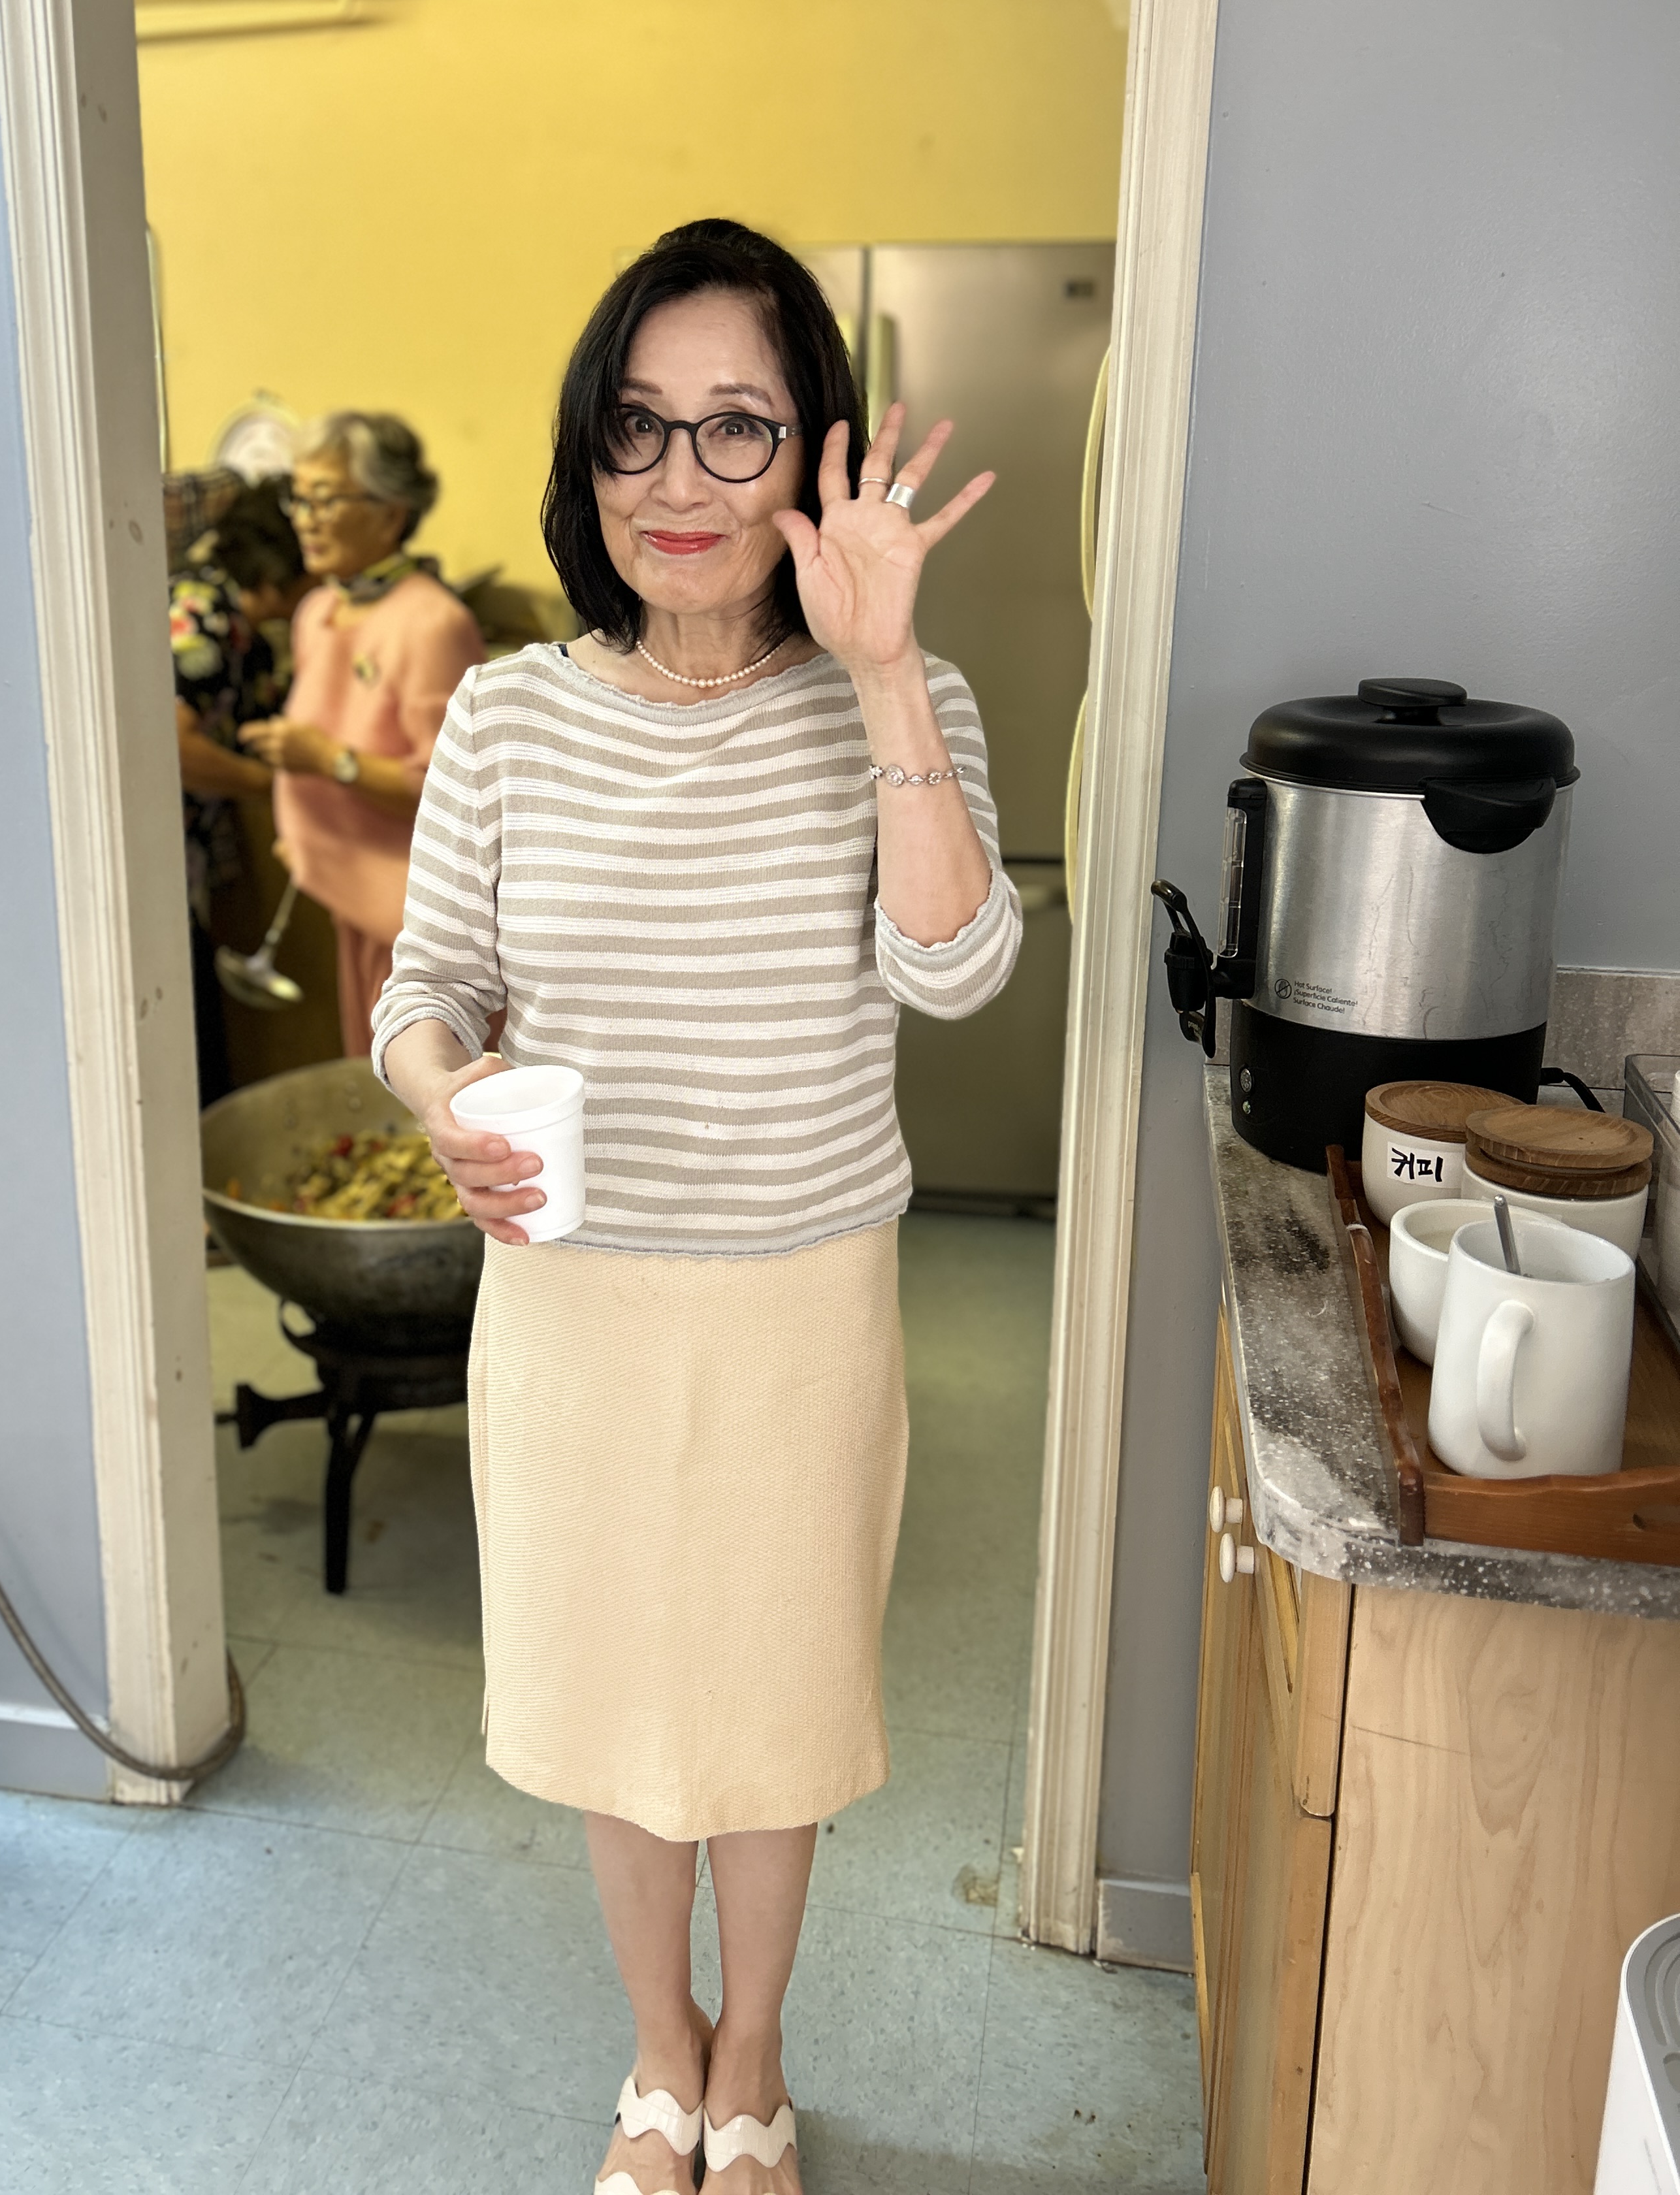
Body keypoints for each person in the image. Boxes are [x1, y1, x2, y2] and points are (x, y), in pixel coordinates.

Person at [374, 220, 1023, 2195]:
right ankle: (661, 2062)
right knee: (610, 1703)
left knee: (770, 1701)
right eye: (638, 427)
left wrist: (884, 668)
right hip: (574, 1303)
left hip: (798, 1300)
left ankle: (756, 2063)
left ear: (816, 451)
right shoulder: (508, 716)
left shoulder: (904, 702)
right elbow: (425, 988)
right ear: (585, 455)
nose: (681, 479)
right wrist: (444, 1095)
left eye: (738, 427)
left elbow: (959, 968)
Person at [238, 413, 485, 1055]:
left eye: (325, 500)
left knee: (422, 1074)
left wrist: (328, 761)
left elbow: (453, 794)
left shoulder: (433, 624)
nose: (306, 520)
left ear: (390, 512)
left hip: (418, 917)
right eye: (299, 499)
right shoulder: (318, 610)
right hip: (346, 894)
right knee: (368, 1063)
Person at [169, 480, 311, 1105]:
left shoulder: (246, 635)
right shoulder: (199, 617)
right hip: (158, 859)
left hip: (193, 856)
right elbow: (174, 747)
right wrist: (271, 787)